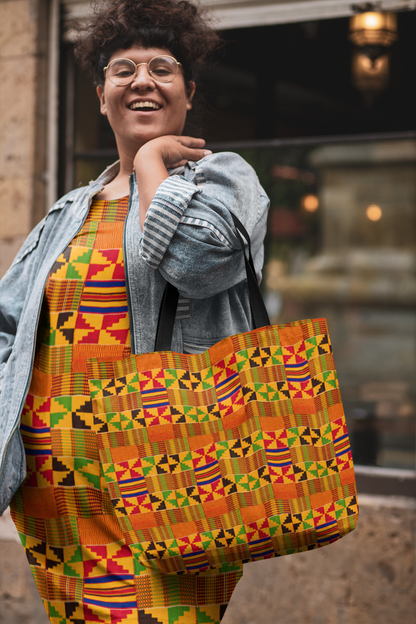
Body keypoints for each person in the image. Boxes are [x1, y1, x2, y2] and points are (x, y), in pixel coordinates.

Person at [0, 0, 270, 622]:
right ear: (101, 96)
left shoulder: (225, 180)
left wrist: (152, 164)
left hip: (173, 490)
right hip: (57, 497)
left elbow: (198, 261)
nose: (142, 80)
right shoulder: (70, 211)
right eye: (124, 70)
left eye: (162, 67)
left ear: (188, 92)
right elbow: (9, 326)